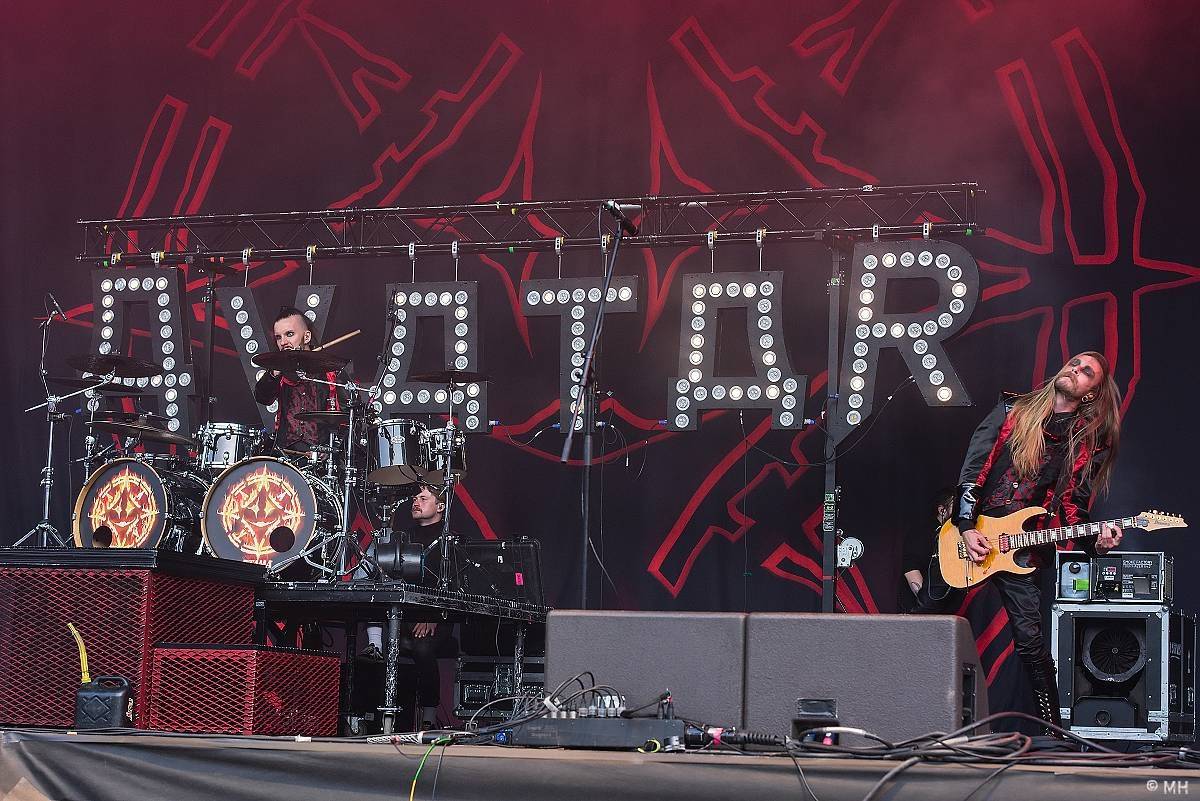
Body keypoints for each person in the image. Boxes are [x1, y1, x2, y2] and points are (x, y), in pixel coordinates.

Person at [912, 352, 1123, 730]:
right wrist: (965, 525)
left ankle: (1052, 729)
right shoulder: (1013, 409)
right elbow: (975, 468)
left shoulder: (1086, 440)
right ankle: (903, 710)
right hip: (970, 534)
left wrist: (1096, 544)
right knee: (928, 617)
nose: (1074, 369)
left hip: (1020, 546)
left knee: (1030, 641)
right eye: (1074, 363)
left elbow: (1074, 506)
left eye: (1086, 371)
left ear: (1091, 393)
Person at [362, 484, 454, 729]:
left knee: (422, 648)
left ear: (441, 507)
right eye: (415, 498)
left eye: (424, 498)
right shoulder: (403, 536)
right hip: (403, 614)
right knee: (374, 587)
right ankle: (375, 643)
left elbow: (454, 586)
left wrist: (434, 615)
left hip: (436, 617)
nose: (416, 502)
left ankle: (429, 717)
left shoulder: (449, 542)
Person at [253, 306, 342, 451]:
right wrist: (275, 371)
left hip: (321, 454)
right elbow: (263, 397)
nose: (283, 342)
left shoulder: (328, 371)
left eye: (289, 334)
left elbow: (344, 416)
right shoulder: (279, 371)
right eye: (278, 337)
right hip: (285, 454)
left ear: (306, 337)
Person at [897, 488, 954, 612]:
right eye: (957, 507)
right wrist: (926, 603)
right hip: (921, 610)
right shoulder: (923, 534)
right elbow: (911, 567)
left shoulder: (955, 535)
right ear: (942, 510)